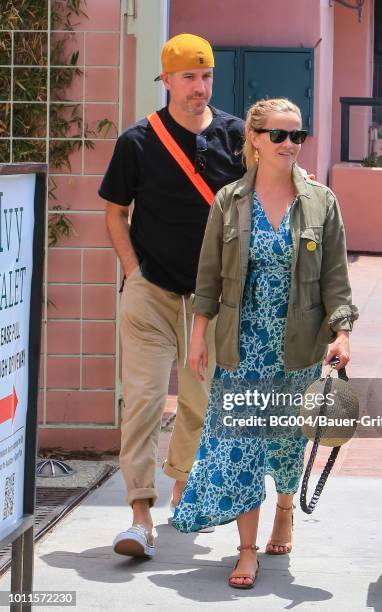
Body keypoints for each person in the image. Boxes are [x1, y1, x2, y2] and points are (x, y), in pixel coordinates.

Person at [172, 98, 359, 588]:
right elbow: (208, 275)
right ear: (254, 139)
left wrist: (341, 332)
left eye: (298, 135)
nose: (290, 144)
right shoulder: (229, 201)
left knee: (286, 444)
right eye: (278, 135)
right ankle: (247, 551)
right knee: (242, 447)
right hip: (242, 344)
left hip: (298, 345)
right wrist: (198, 333)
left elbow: (336, 278)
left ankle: (284, 510)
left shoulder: (320, 202)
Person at [99, 33, 245, 557]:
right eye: (188, 78)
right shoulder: (137, 141)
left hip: (211, 302)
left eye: (205, 77)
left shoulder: (236, 136)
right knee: (141, 402)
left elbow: (260, 199)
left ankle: (183, 485)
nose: (198, 88)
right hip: (151, 293)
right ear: (166, 80)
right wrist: (133, 272)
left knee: (199, 404)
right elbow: (115, 212)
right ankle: (141, 515)